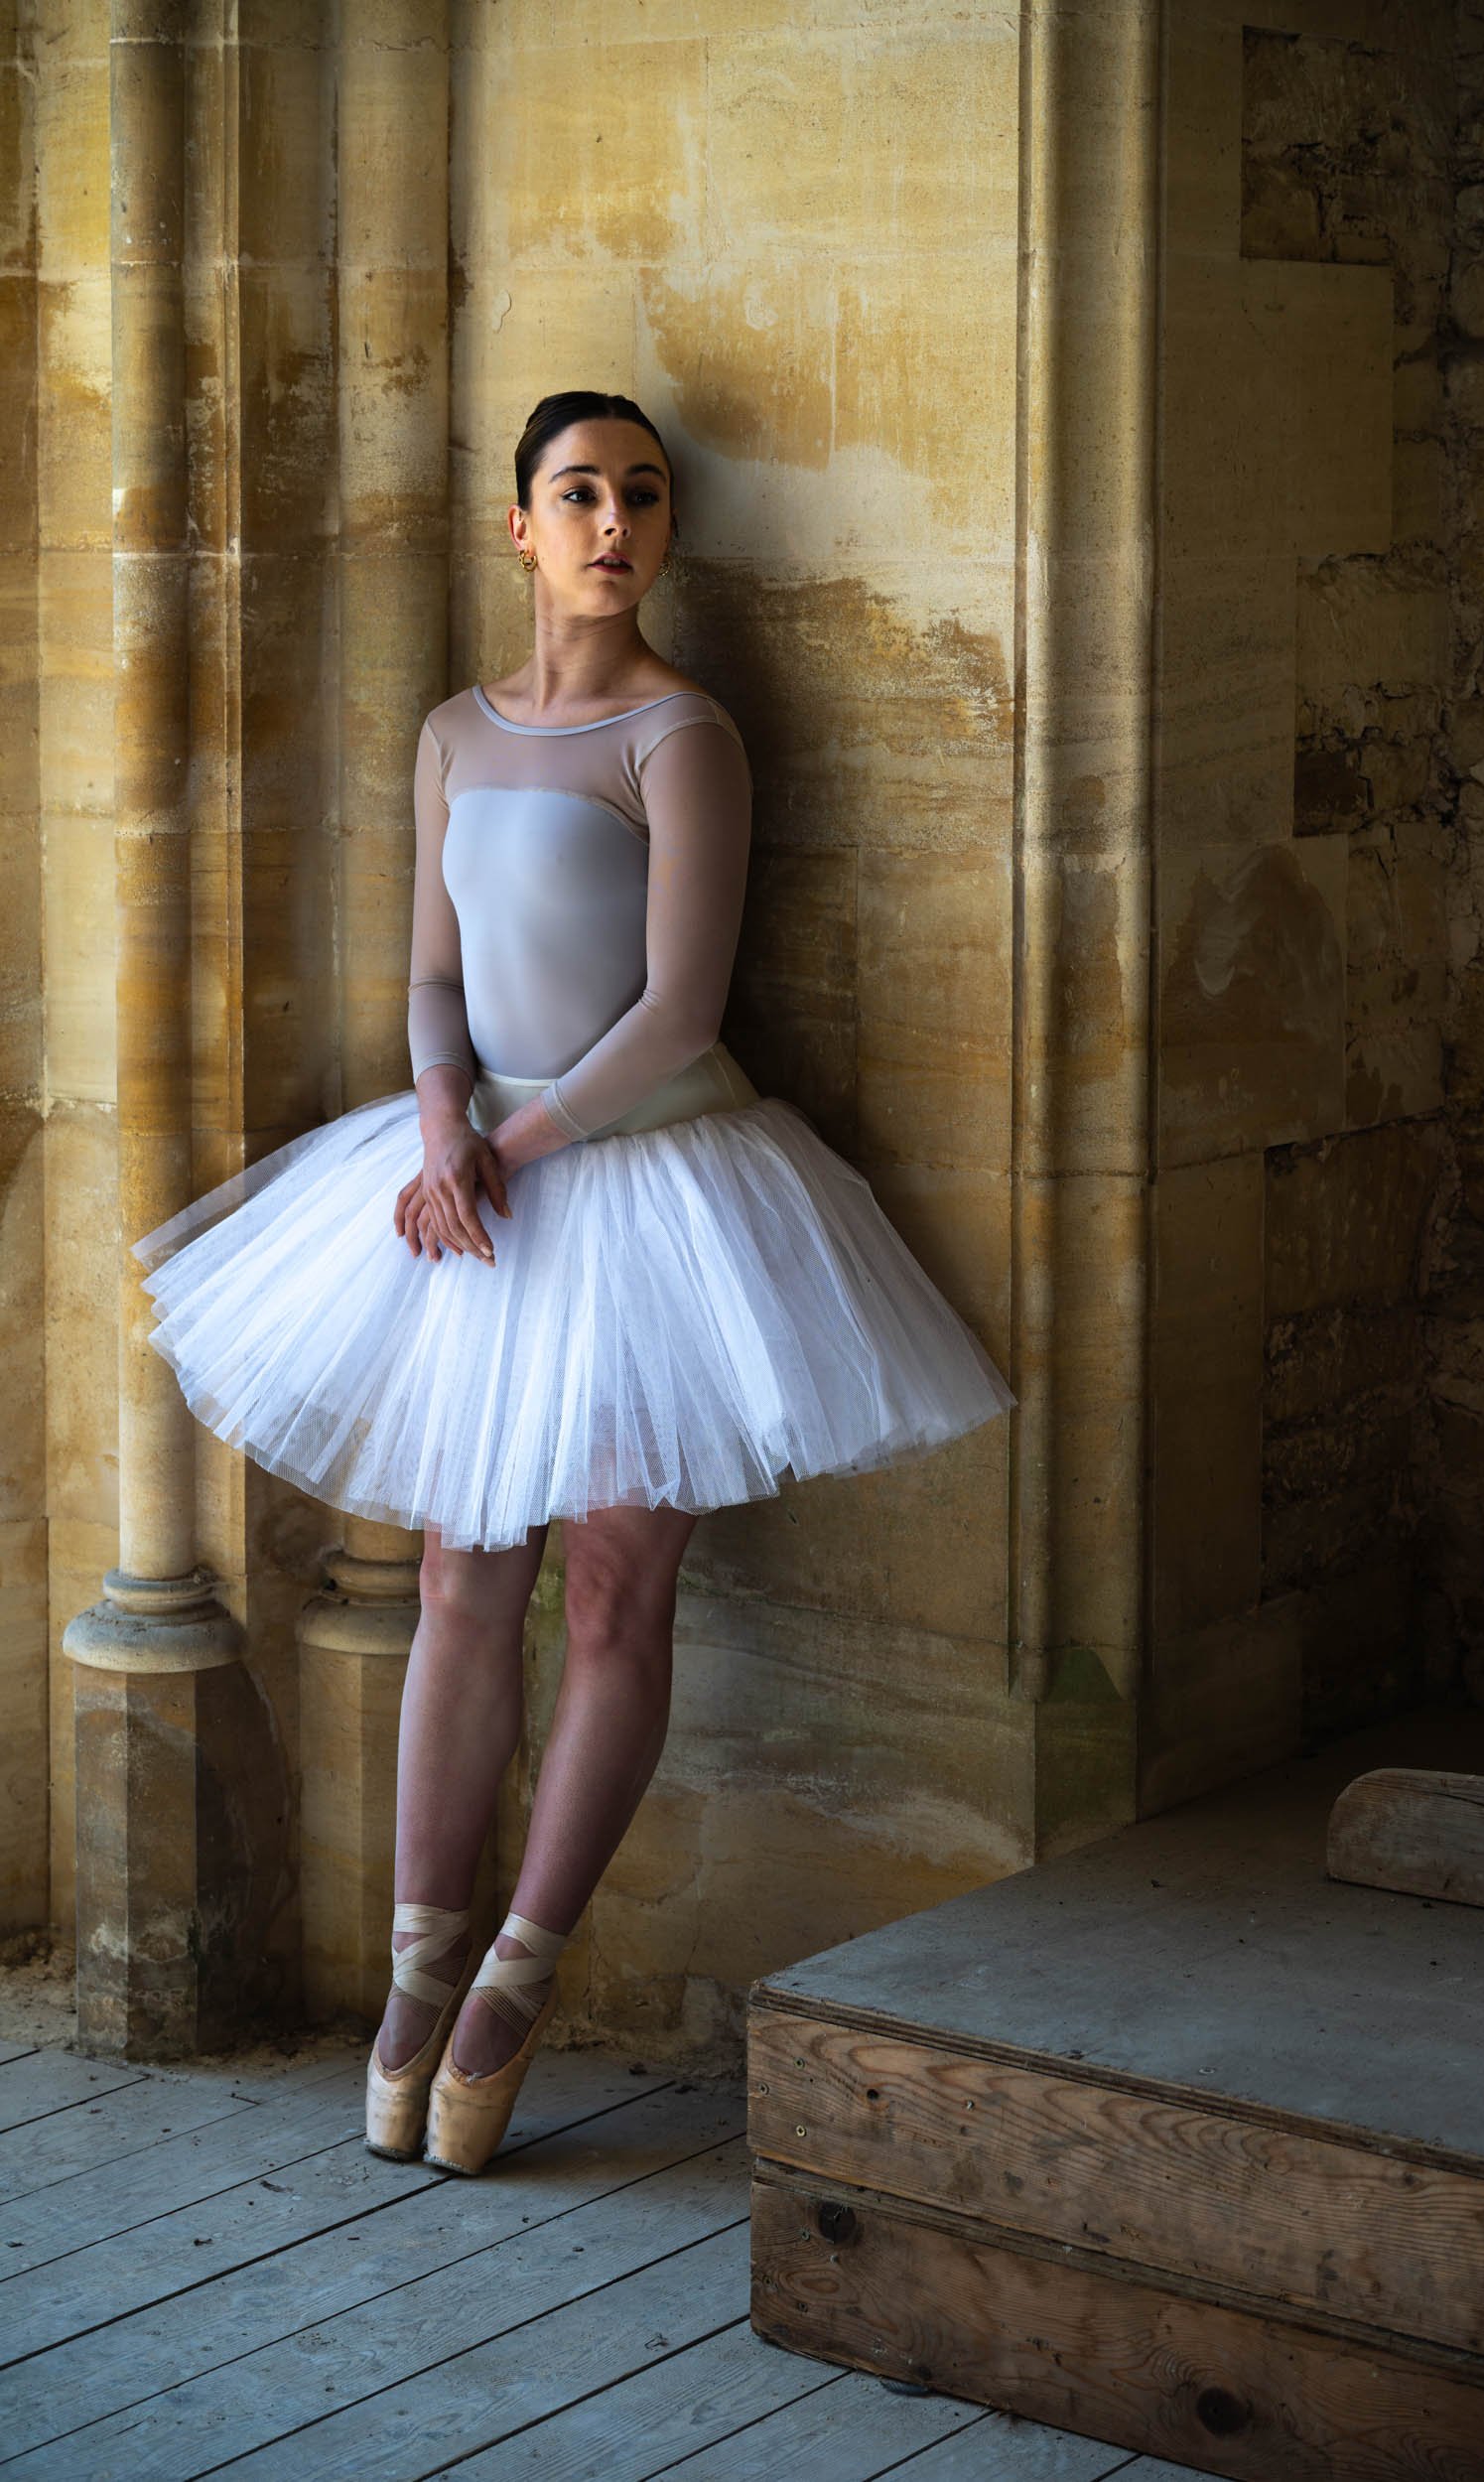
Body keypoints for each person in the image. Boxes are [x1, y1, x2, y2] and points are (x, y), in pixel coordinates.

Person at [131, 388, 1016, 2176]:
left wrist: (506, 1157)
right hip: (475, 1173)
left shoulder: (682, 736)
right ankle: (411, 1975)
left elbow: (681, 1015)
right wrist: (442, 1116)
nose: (613, 520)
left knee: (615, 1590)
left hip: (646, 1183)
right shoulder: (456, 731)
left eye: (643, 494)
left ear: (665, 532)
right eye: (577, 492)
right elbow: (432, 979)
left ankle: (516, 1982)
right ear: (517, 529)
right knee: (464, 1574)